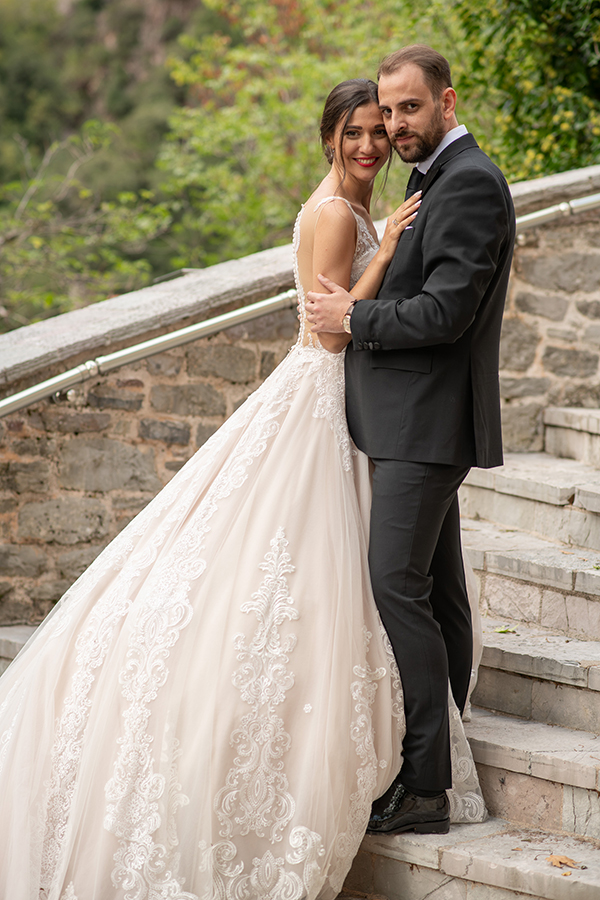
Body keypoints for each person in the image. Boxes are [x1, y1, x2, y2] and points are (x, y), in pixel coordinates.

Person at [0, 78, 485, 900]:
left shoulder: (375, 205)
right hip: (322, 392)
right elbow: (325, 321)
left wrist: (393, 240)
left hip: (362, 407)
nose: (369, 145)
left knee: (368, 575)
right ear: (328, 137)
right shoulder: (335, 213)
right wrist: (392, 255)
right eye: (354, 133)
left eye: (379, 130)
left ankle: (427, 734)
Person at [306, 46, 516, 836]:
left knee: (396, 583)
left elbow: (444, 313)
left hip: (423, 425)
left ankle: (425, 785)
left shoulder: (468, 184)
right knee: (438, 588)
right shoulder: (435, 179)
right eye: (386, 113)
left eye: (408, 109)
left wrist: (353, 318)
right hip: (412, 421)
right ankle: (445, 746)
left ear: (448, 103)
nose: (394, 126)